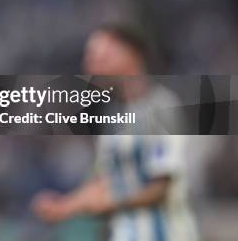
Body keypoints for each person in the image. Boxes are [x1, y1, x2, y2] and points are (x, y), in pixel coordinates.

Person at [32, 24, 199, 241]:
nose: (89, 66)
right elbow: (106, 182)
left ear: (130, 56)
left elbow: (161, 186)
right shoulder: (113, 116)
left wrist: (110, 203)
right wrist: (64, 207)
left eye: (99, 57)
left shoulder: (160, 107)